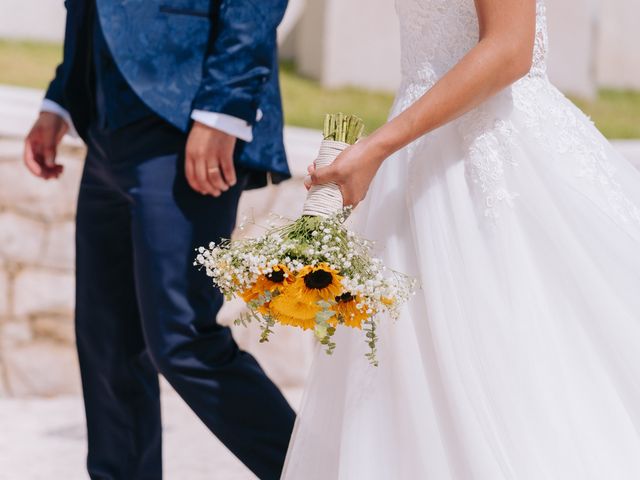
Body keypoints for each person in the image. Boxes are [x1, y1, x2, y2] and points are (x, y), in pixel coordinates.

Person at [286, 0, 640, 478]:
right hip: (416, 156)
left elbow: (510, 48)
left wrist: (379, 147)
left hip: (493, 160)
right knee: (404, 387)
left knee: (512, 376)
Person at [23, 1, 295, 479]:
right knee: (106, 337)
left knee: (184, 337)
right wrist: (61, 99)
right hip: (107, 119)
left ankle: (316, 470)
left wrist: (222, 107)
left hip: (188, 109)